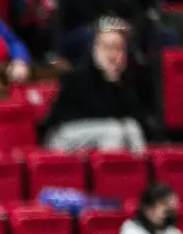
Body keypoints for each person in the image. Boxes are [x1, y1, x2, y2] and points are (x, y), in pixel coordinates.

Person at [44, 22, 156, 153]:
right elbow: (96, 113)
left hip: (99, 131)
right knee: (113, 130)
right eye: (107, 47)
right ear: (95, 49)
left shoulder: (127, 80)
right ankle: (111, 166)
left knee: (132, 126)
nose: (112, 54)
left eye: (118, 48)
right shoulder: (78, 77)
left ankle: (139, 165)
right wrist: (110, 82)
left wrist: (117, 84)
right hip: (63, 135)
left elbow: (138, 117)